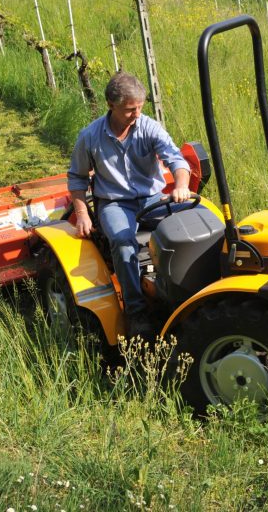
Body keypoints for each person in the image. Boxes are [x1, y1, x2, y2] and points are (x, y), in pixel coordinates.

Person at [67, 71, 191, 340]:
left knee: (199, 217)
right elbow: (76, 177)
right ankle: (135, 313)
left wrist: (181, 185)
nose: (137, 114)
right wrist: (82, 213)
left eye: (140, 108)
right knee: (123, 243)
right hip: (114, 202)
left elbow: (176, 160)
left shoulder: (149, 127)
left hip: (152, 199)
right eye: (129, 110)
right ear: (111, 106)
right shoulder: (90, 137)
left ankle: (188, 290)